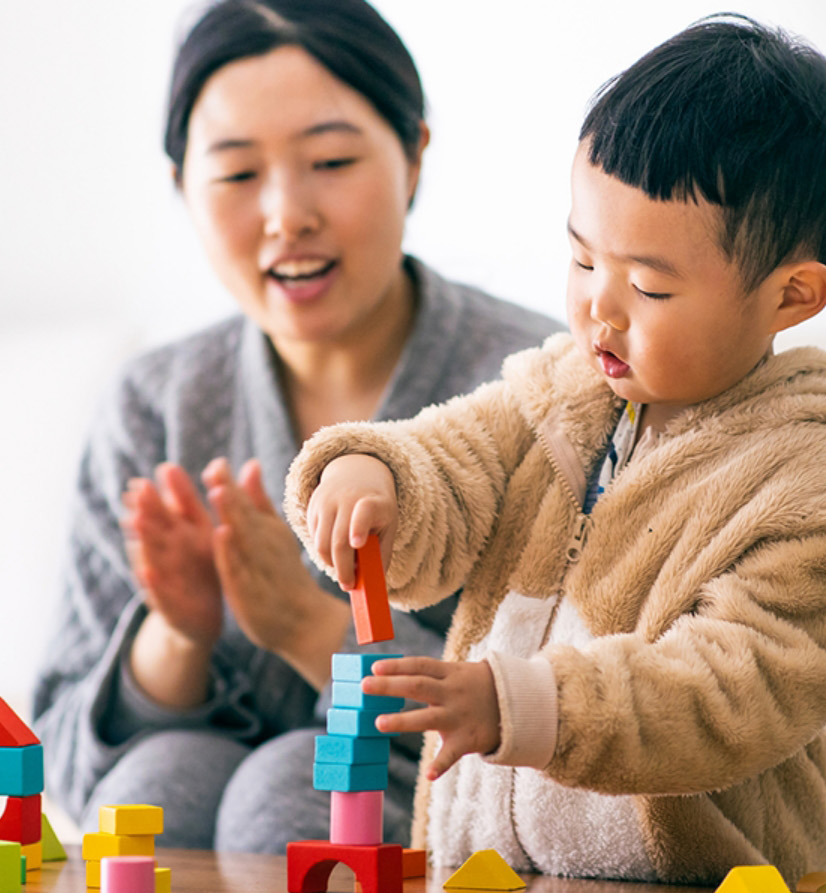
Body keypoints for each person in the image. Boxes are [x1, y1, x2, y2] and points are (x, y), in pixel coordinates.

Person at [284, 15, 826, 886]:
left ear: (790, 296)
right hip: (488, 866)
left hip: (697, 874)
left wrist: (524, 702)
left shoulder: (821, 496)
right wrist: (374, 472)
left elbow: (723, 691)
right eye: (583, 261)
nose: (598, 311)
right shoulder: (566, 393)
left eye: (649, 285)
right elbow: (455, 457)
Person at [31, 0, 562, 853]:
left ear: (414, 157)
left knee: (286, 796)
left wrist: (315, 633)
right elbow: (57, 754)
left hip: (452, 797)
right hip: (183, 775)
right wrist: (176, 635)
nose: (287, 213)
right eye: (238, 175)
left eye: (331, 159)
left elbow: (583, 709)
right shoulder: (151, 403)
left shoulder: (541, 386)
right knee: (148, 796)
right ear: (181, 190)